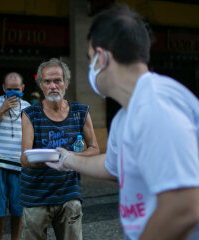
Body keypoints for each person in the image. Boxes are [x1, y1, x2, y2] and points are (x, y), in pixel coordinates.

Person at [46, 4, 199, 240]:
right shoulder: (125, 116)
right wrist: (67, 160)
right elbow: (112, 165)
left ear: (103, 57)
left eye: (90, 60)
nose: (89, 68)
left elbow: (183, 207)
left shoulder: (155, 107)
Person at [20, 58, 100, 240]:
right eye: (47, 81)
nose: (53, 86)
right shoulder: (30, 114)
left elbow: (94, 149)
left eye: (57, 80)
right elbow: (24, 158)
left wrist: (69, 158)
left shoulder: (80, 112)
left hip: (69, 194)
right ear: (41, 85)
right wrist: (51, 160)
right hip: (36, 196)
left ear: (66, 83)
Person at [0, 72, 30, 240]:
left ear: (23, 88)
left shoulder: (27, 107)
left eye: (16, 89)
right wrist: (2, 108)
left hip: (19, 165)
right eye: (9, 90)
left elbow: (30, 137)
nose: (13, 93)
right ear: (3, 88)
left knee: (18, 210)